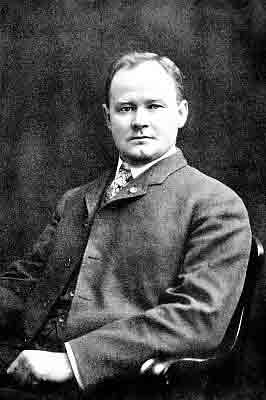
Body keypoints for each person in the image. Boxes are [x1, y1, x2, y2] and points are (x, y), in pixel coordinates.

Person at [0, 52, 251, 399]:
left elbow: (197, 318)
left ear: (181, 114)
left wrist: (74, 363)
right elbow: (24, 285)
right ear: (108, 118)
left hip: (111, 384)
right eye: (126, 108)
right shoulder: (76, 199)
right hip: (17, 364)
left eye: (155, 107)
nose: (139, 121)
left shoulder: (215, 205)